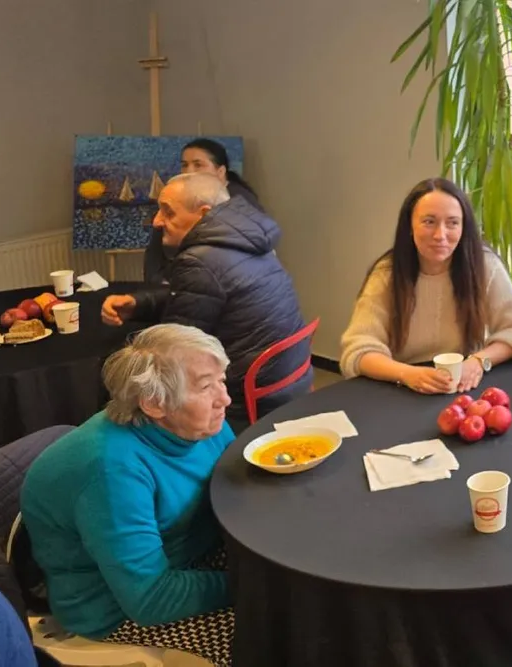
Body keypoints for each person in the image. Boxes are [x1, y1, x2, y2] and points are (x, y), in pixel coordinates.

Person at [20, 324, 236, 667]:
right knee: (268, 634)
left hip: (189, 555)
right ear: (154, 403)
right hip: (115, 606)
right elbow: (151, 599)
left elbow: (231, 492)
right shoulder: (112, 471)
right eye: (207, 386)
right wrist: (253, 583)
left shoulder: (204, 424)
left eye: (221, 380)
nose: (224, 398)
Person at [101, 172, 310, 433]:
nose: (156, 222)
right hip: (289, 375)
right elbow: (209, 295)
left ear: (202, 214)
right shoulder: (250, 240)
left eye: (167, 212)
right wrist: (139, 303)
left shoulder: (201, 259)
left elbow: (176, 347)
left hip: (247, 392)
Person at [340, 178, 512, 392]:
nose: (440, 235)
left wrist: (479, 361)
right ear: (410, 226)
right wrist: (407, 374)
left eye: (452, 223)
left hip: (465, 386)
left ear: (463, 227)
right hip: (402, 388)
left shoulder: (485, 266)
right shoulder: (387, 274)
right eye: (429, 222)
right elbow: (358, 349)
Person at [144, 138, 263, 284]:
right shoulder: (181, 196)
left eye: (198, 165)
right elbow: (155, 253)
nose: (189, 171)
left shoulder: (241, 205)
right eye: (184, 165)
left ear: (220, 171)